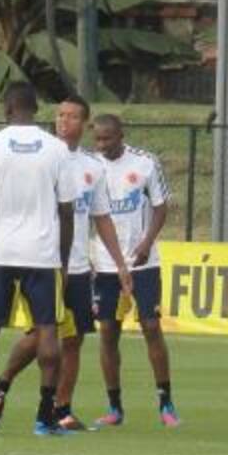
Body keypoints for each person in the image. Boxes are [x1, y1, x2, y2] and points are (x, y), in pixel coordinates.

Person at [0, 95, 133, 431]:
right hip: (42, 261)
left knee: (74, 338)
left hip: (78, 266)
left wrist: (120, 264)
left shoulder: (92, 168)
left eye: (71, 116)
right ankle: (2, 384)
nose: (63, 121)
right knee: (42, 334)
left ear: (84, 123)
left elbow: (102, 218)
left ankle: (61, 408)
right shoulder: (41, 157)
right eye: (60, 115)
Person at [0, 82, 77, 436]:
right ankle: (44, 417)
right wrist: (65, 263)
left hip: (0, 254)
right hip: (42, 255)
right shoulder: (56, 150)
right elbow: (67, 211)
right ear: (36, 110)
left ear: (6, 110)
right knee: (48, 334)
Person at [89, 114, 179, 429]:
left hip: (144, 261)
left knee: (151, 326)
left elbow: (161, 206)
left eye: (108, 139)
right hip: (104, 264)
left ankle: (165, 401)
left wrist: (146, 243)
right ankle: (114, 407)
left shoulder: (145, 163)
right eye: (98, 139)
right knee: (108, 332)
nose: (103, 145)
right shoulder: (89, 166)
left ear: (121, 135)